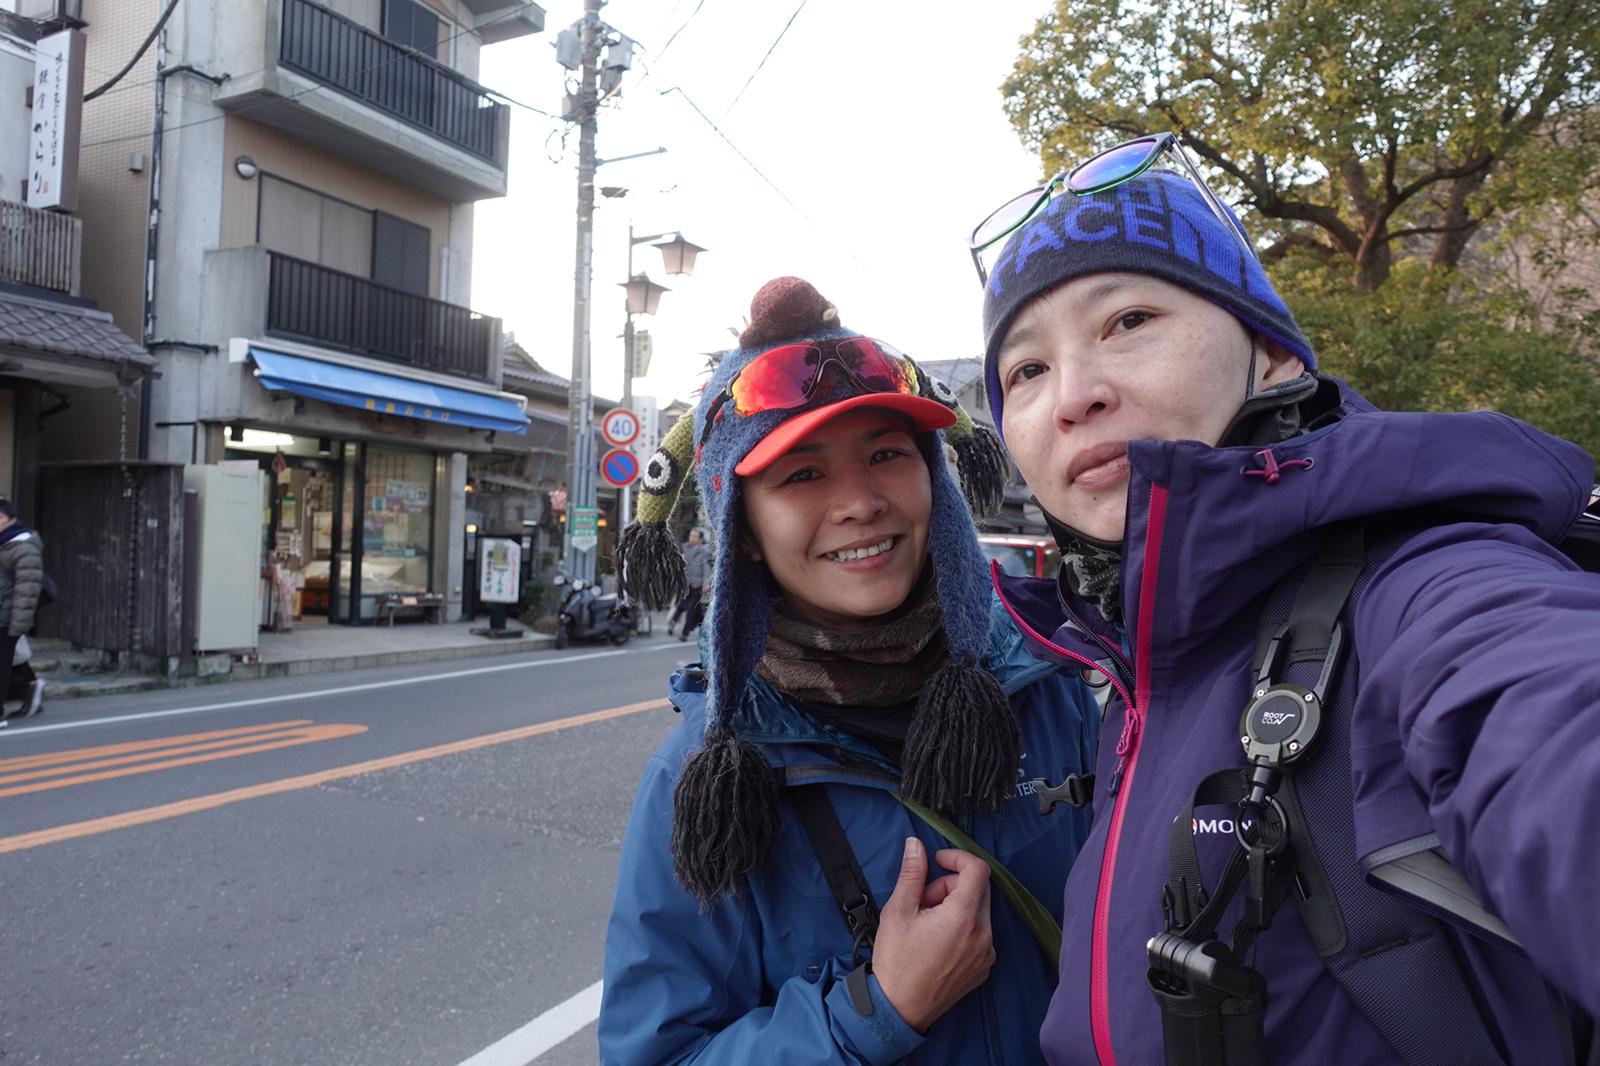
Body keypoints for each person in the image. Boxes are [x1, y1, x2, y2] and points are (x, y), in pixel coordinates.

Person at [970, 141, 1600, 1065]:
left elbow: (1540, 713)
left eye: (1129, 319)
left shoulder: (1425, 578)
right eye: (1025, 371)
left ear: (1269, 354)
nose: (1074, 395)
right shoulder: (1128, 666)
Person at [599, 277, 1100, 1064]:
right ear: (745, 530)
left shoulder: (1049, 687)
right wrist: (876, 1010)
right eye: (802, 473)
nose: (861, 501)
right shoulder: (705, 777)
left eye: (887, 454)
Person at [0, 497, 45, 721]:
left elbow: (27, 588)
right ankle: (29, 690)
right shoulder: (3, 543)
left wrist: (17, 624)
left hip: (6, 617)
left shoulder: (23, 547)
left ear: (12, 520)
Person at [667, 528, 711, 639]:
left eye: (695, 536)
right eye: (691, 535)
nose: (692, 538)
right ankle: (673, 622)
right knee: (682, 605)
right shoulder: (685, 549)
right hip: (687, 583)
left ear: (700, 539)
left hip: (698, 584)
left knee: (691, 608)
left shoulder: (704, 552)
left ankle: (685, 633)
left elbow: (706, 568)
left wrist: (706, 583)